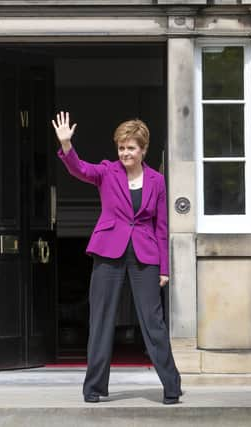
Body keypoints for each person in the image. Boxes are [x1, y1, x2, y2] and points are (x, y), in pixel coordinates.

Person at [52, 111, 182, 405]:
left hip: (145, 254)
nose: (125, 152)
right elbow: (79, 170)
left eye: (131, 147)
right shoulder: (107, 171)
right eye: (122, 147)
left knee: (153, 322)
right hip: (109, 251)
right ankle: (95, 388)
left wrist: (164, 267)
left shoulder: (157, 181)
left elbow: (161, 227)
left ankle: (171, 386)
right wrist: (67, 145)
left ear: (143, 149)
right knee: (101, 320)